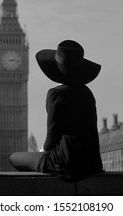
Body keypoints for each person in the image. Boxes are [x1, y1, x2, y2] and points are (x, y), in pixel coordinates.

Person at [9, 40, 103, 180]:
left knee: (14, 158)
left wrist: (41, 154)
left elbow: (51, 138)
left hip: (66, 162)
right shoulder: (87, 93)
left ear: (56, 68)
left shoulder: (56, 94)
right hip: (92, 162)